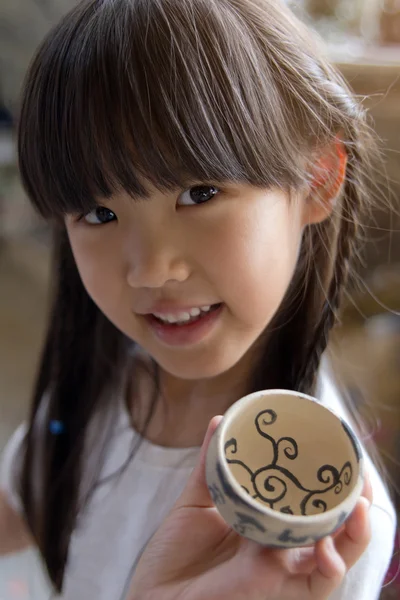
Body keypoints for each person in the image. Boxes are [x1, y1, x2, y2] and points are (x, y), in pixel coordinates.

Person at [0, 0, 397, 598]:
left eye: (200, 192)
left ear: (316, 178)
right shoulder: (94, 389)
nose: (150, 269)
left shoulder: (320, 528)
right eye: (100, 212)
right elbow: (20, 505)